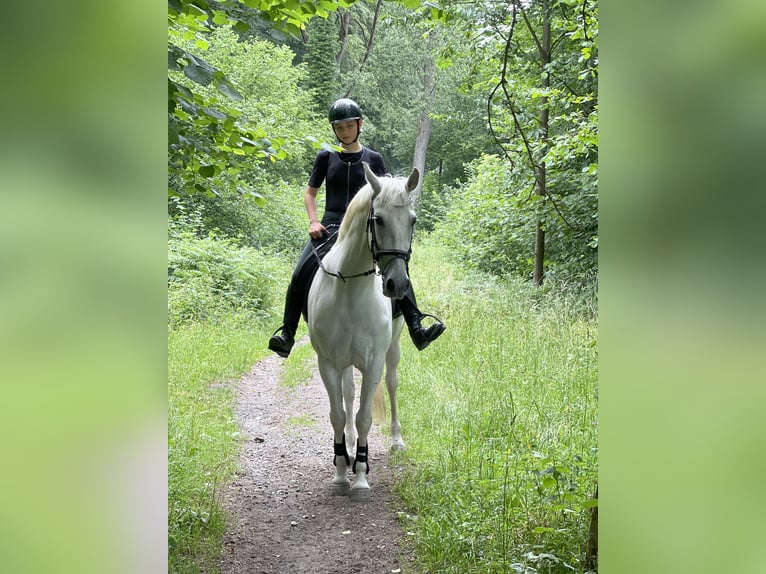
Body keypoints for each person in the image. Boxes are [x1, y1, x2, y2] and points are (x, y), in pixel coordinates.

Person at [268, 98, 446, 358]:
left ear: (359, 125)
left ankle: (416, 325)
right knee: (300, 271)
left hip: (366, 226)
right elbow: (310, 193)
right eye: (339, 128)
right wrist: (313, 221)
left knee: (398, 265)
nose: (344, 132)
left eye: (349, 126)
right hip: (330, 225)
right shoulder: (325, 156)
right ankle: (287, 333)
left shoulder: (373, 158)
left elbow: (386, 194)